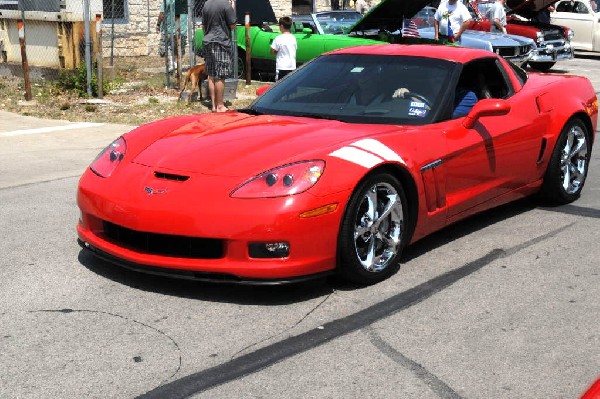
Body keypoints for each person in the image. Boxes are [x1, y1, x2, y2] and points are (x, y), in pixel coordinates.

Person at [201, 0, 236, 112]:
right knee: (220, 75)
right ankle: (220, 105)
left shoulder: (206, 4)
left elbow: (203, 26)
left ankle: (214, 105)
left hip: (208, 41)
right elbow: (233, 26)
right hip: (221, 43)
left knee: (211, 74)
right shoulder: (226, 4)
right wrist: (232, 8)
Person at [156, 0, 188, 72]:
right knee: (178, 49)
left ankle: (171, 64)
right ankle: (176, 65)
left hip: (168, 30)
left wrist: (158, 24)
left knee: (164, 48)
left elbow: (162, 14)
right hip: (181, 30)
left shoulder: (167, 1)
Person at [270, 17, 297, 81]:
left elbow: (272, 51)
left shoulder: (278, 38)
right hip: (292, 66)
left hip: (282, 67)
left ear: (281, 26)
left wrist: (277, 51)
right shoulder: (293, 38)